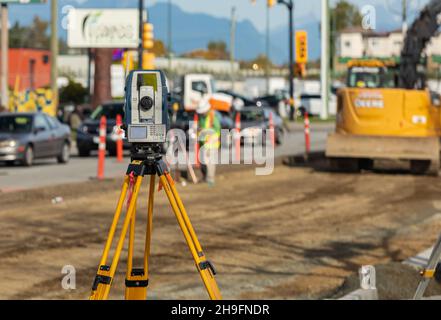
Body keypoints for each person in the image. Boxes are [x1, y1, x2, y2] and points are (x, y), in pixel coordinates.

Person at [196, 99, 221, 187]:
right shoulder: (201, 117)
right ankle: (204, 177)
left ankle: (210, 180)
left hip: (212, 144)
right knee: (203, 162)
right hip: (203, 143)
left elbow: (217, 130)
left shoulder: (212, 116)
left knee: (210, 162)